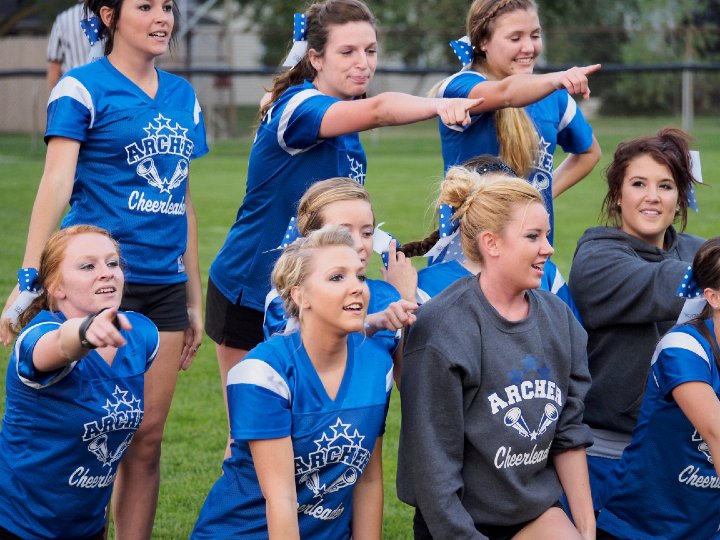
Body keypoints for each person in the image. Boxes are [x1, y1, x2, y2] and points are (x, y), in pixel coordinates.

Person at [206, 0, 478, 428]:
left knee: (315, 426)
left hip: (317, 293)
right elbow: (378, 110)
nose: (362, 63)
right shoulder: (298, 107)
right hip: (252, 289)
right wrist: (439, 106)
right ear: (315, 58)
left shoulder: (348, 132)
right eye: (347, 52)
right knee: (252, 434)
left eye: (370, 51)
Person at [0, 1, 208, 537]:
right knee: (87, 433)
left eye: (168, 7)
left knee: (146, 439)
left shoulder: (184, 96)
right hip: (94, 284)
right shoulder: (81, 87)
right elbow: (56, 182)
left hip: (163, 287)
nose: (163, 18)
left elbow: (183, 201)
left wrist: (193, 297)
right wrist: (28, 278)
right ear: (110, 16)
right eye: (146, 6)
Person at [397, 167, 595, 539]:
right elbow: (433, 472)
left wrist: (586, 529)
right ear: (492, 243)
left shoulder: (558, 318)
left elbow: (569, 432)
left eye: (546, 235)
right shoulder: (442, 328)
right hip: (456, 523)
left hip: (532, 513)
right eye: (533, 236)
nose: (548, 248)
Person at [192, 226, 393, 539]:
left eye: (360, 276)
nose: (356, 287)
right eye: (337, 277)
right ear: (300, 296)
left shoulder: (378, 364)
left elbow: (367, 480)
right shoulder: (263, 372)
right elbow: (281, 500)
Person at [568, 127, 704, 507]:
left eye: (666, 186)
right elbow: (661, 285)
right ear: (617, 195)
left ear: (679, 198)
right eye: (638, 184)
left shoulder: (695, 251)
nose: (652, 197)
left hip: (684, 452)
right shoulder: (595, 258)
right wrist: (711, 275)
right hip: (610, 457)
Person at [0, 225, 159, 540]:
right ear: (56, 286)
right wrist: (85, 332)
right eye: (88, 266)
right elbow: (60, 345)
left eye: (112, 263)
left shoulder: (142, 335)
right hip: (16, 524)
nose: (106, 273)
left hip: (87, 526)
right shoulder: (37, 335)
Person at [436, 0, 602, 244]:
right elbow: (506, 94)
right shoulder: (459, 88)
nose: (529, 47)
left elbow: (589, 152)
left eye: (535, 35)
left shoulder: (553, 96)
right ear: (483, 42)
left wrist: (537, 197)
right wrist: (557, 79)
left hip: (533, 252)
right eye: (515, 38)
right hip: (467, 254)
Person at [596, 237, 720, 539]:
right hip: (639, 527)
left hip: (704, 526)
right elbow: (716, 432)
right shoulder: (682, 347)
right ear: (713, 297)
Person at [400, 155, 582, 322]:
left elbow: (574, 339)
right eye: (493, 199)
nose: (503, 207)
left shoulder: (545, 273)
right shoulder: (427, 285)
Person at [264, 177, 417, 354]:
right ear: (312, 239)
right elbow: (303, 347)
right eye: (344, 233)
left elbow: (406, 369)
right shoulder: (285, 297)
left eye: (367, 233)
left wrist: (405, 300)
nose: (359, 244)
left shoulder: (386, 296)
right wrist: (376, 321)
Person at [47, 1, 92, 90]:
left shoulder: (63, 19)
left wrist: (55, 95)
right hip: (101, 86)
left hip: (72, 87)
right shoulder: (107, 15)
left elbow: (54, 66)